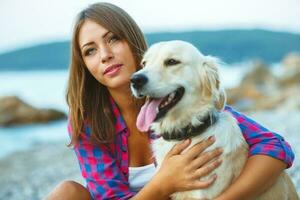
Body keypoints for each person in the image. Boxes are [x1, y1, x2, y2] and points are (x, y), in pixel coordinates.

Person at [45, 2, 295, 200]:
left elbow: (276, 147)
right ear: (85, 65)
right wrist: (164, 183)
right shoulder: (88, 124)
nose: (105, 55)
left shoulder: (187, 106)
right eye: (90, 50)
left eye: (113, 39)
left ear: (132, 42)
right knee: (65, 193)